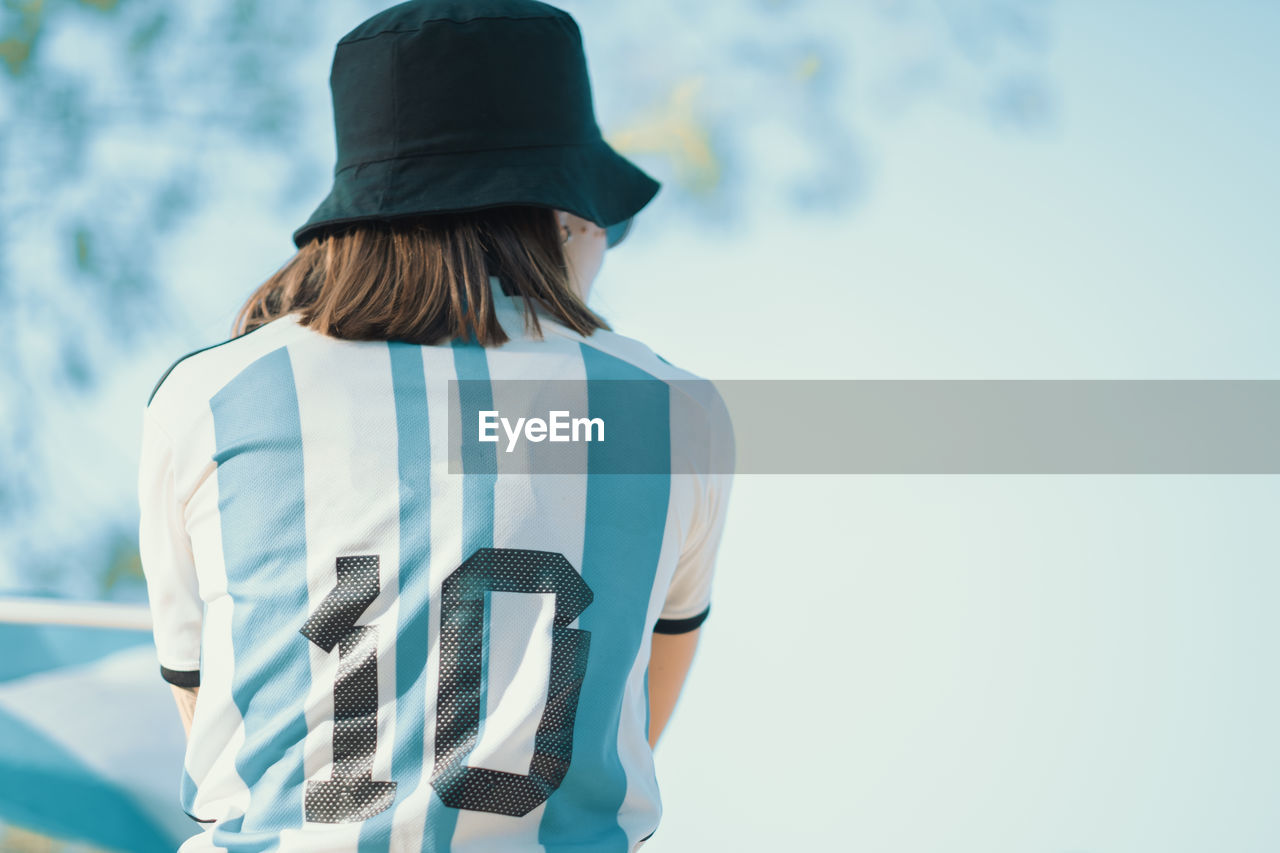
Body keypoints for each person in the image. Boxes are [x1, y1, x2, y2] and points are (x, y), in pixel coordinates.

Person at [137, 1, 734, 851]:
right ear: (564, 217)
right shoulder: (670, 413)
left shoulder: (206, 398)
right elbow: (629, 715)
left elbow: (215, 726)